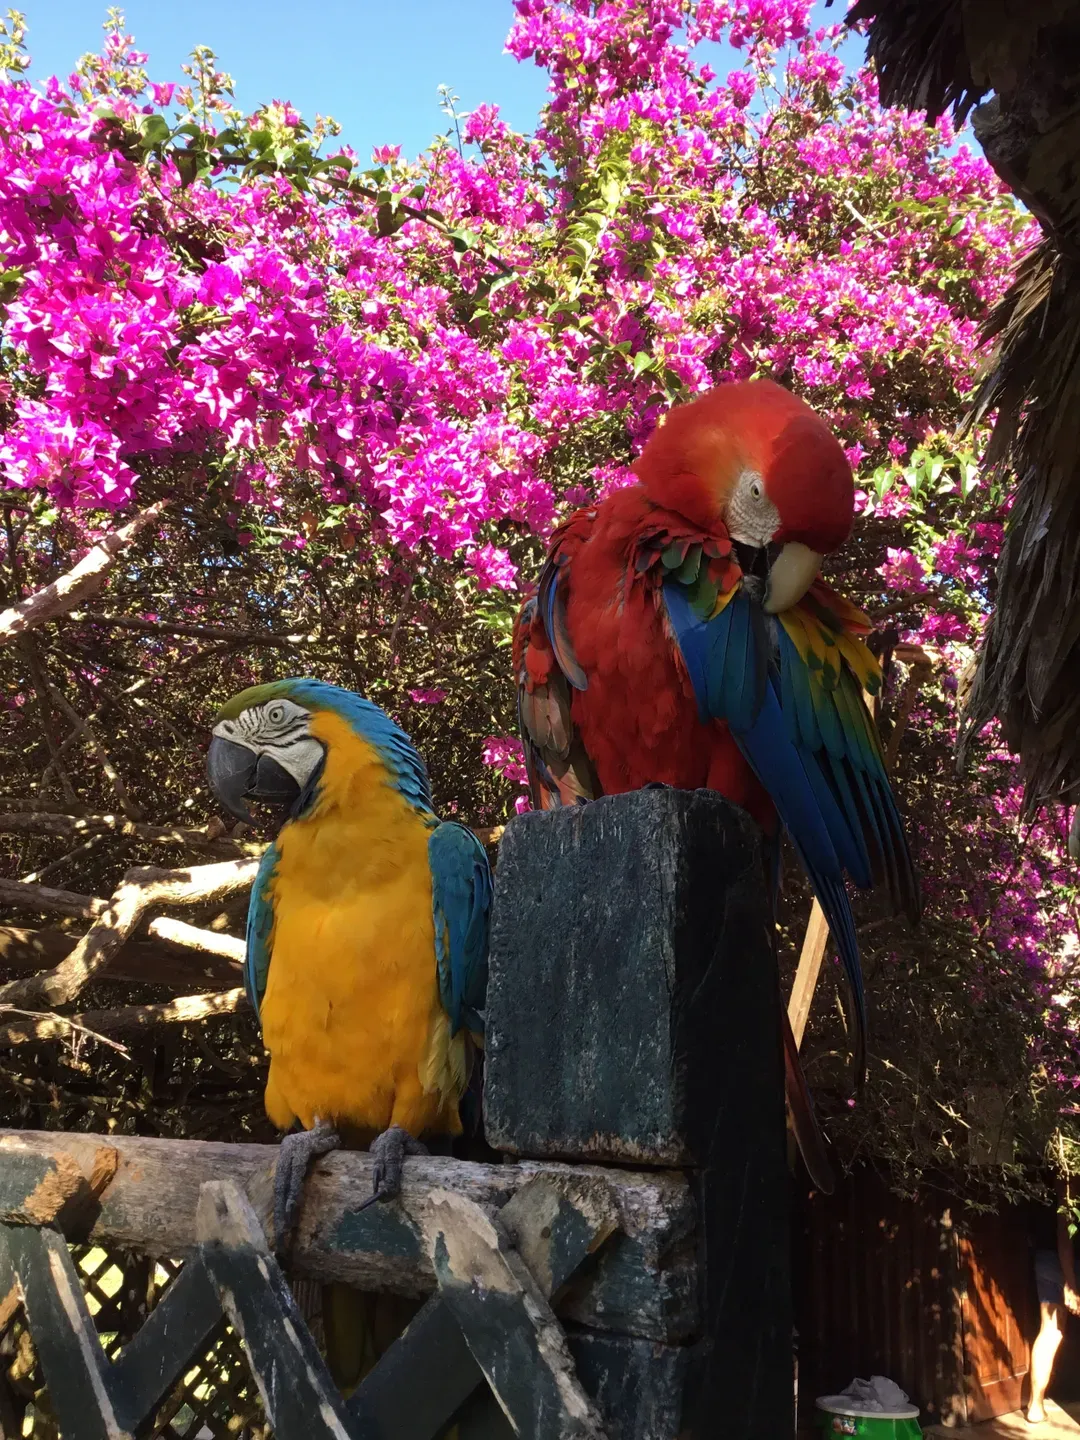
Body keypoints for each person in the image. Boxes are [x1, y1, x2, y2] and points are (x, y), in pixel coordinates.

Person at [1028, 1178, 1080, 1425]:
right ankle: (1035, 1405)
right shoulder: (1069, 1177)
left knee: (1050, 1333)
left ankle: (1035, 1406)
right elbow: (1064, 1229)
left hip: (1049, 1258)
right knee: (1051, 1333)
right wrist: (1070, 1281)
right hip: (1065, 1261)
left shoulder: (1063, 1169)